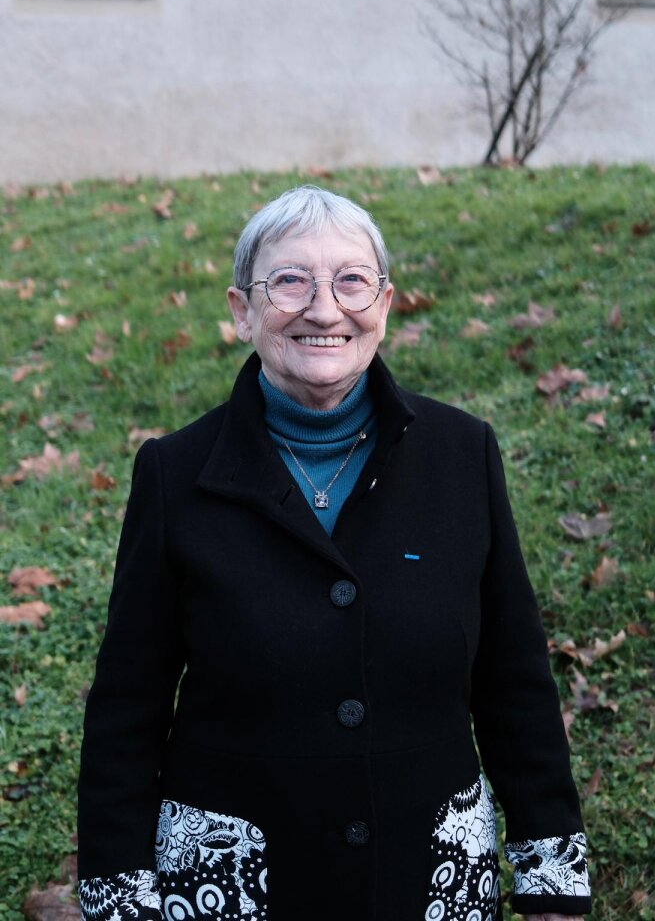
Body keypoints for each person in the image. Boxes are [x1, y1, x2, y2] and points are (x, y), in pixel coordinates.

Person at [77, 185, 590, 921]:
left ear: (385, 304)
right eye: (290, 281)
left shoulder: (461, 453)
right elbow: (128, 708)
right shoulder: (175, 473)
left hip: (431, 880)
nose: (324, 310)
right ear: (241, 311)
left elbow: (515, 682)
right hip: (231, 887)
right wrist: (121, 900)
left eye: (351, 280)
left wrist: (551, 878)